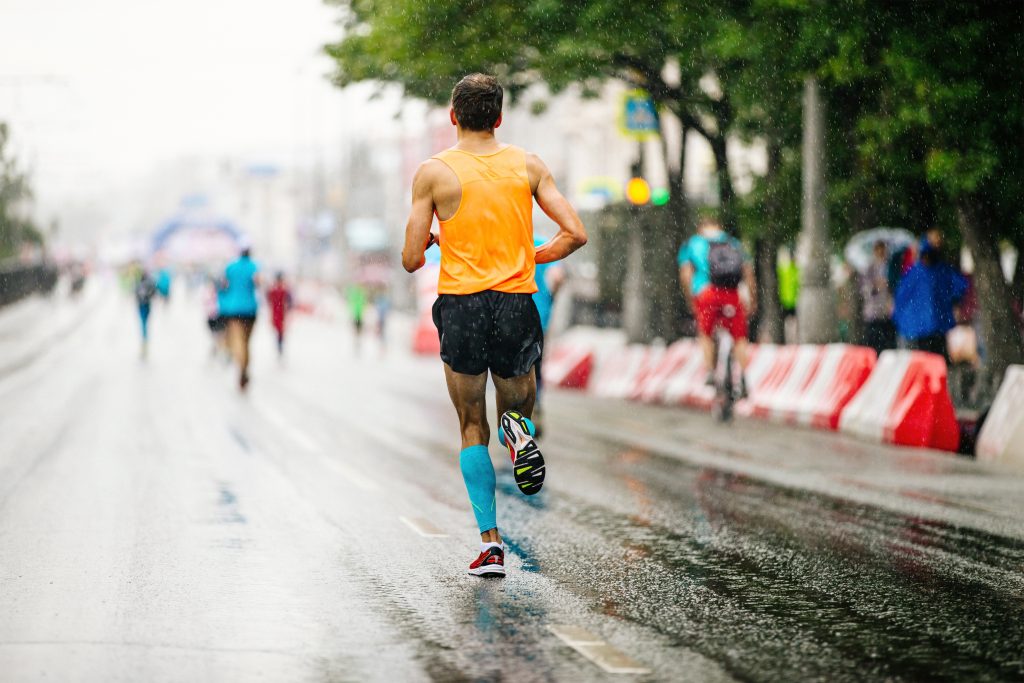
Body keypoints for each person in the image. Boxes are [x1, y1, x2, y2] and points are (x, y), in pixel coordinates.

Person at [401, 73, 587, 577]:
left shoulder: (434, 173)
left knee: (469, 426)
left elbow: (411, 259)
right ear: (500, 118)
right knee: (514, 409)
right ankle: (520, 432)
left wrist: (438, 239)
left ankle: (490, 544)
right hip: (514, 303)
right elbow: (575, 233)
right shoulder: (526, 165)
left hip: (462, 306)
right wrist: (533, 256)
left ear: (453, 116)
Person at [678, 216, 757, 395]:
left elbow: (686, 274)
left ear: (701, 228)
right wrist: (752, 300)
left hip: (706, 294)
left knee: (705, 333)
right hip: (732, 294)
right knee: (739, 336)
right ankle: (743, 377)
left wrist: (691, 298)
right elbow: (748, 273)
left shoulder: (692, 244)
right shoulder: (733, 243)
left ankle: (710, 373)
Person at [893, 233, 968, 360]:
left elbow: (901, 297)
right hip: (930, 327)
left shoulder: (925, 272)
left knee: (931, 356)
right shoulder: (932, 271)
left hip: (931, 327)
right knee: (931, 355)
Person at [530, 235, 566, 437]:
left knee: (510, 368)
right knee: (535, 366)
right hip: (538, 317)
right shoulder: (543, 245)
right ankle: (534, 406)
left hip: (507, 315)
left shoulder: (510, 240)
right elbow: (558, 276)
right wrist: (552, 297)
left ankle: (515, 412)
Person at [220, 247, 260, 390]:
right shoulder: (254, 266)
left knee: (238, 342)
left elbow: (222, 286)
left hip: (234, 310)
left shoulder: (230, 267)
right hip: (250, 310)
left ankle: (242, 368)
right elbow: (259, 284)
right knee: (246, 342)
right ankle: (244, 369)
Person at [859, 240, 896, 355]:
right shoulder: (869, 267)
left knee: (887, 342)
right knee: (873, 341)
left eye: (883, 249)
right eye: (878, 249)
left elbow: (894, 285)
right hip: (873, 312)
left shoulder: (890, 266)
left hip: (886, 310)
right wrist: (875, 286)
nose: (881, 252)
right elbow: (864, 289)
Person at [266, 272, 292, 356]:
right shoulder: (284, 290)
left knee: (279, 332)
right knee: (280, 332)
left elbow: (268, 299)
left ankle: (279, 346)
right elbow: (290, 302)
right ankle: (280, 346)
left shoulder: (273, 290)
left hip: (278, 314)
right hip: (280, 314)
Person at [135, 269, 157, 358]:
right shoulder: (149, 284)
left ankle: (144, 336)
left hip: (141, 306)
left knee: (143, 321)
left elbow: (135, 294)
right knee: (145, 321)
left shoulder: (138, 284)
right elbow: (154, 293)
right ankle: (145, 336)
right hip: (147, 305)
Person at [346, 282, 367, 355]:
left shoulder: (360, 296)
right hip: (357, 316)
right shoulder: (358, 296)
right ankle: (357, 342)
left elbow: (363, 306)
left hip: (359, 316)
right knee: (357, 331)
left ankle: (357, 341)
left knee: (358, 331)